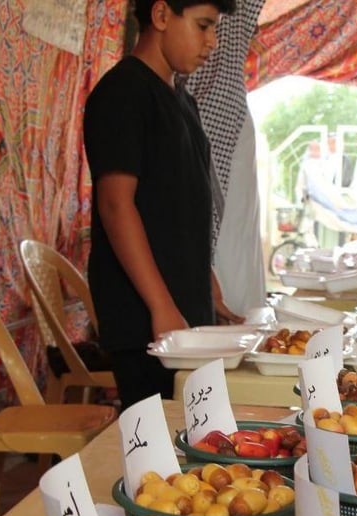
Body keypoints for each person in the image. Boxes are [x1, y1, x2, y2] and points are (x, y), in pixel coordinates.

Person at [83, 0, 241, 410]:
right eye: (204, 26)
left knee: (190, 443)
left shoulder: (181, 100)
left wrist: (205, 282)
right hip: (144, 320)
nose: (212, 41)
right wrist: (161, 305)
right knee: (157, 453)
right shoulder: (123, 93)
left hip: (179, 310)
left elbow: (176, 208)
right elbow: (116, 205)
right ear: (161, 16)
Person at [185, 0, 267, 315]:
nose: (212, 40)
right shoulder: (165, 96)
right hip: (211, 120)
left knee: (235, 262)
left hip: (229, 119)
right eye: (204, 26)